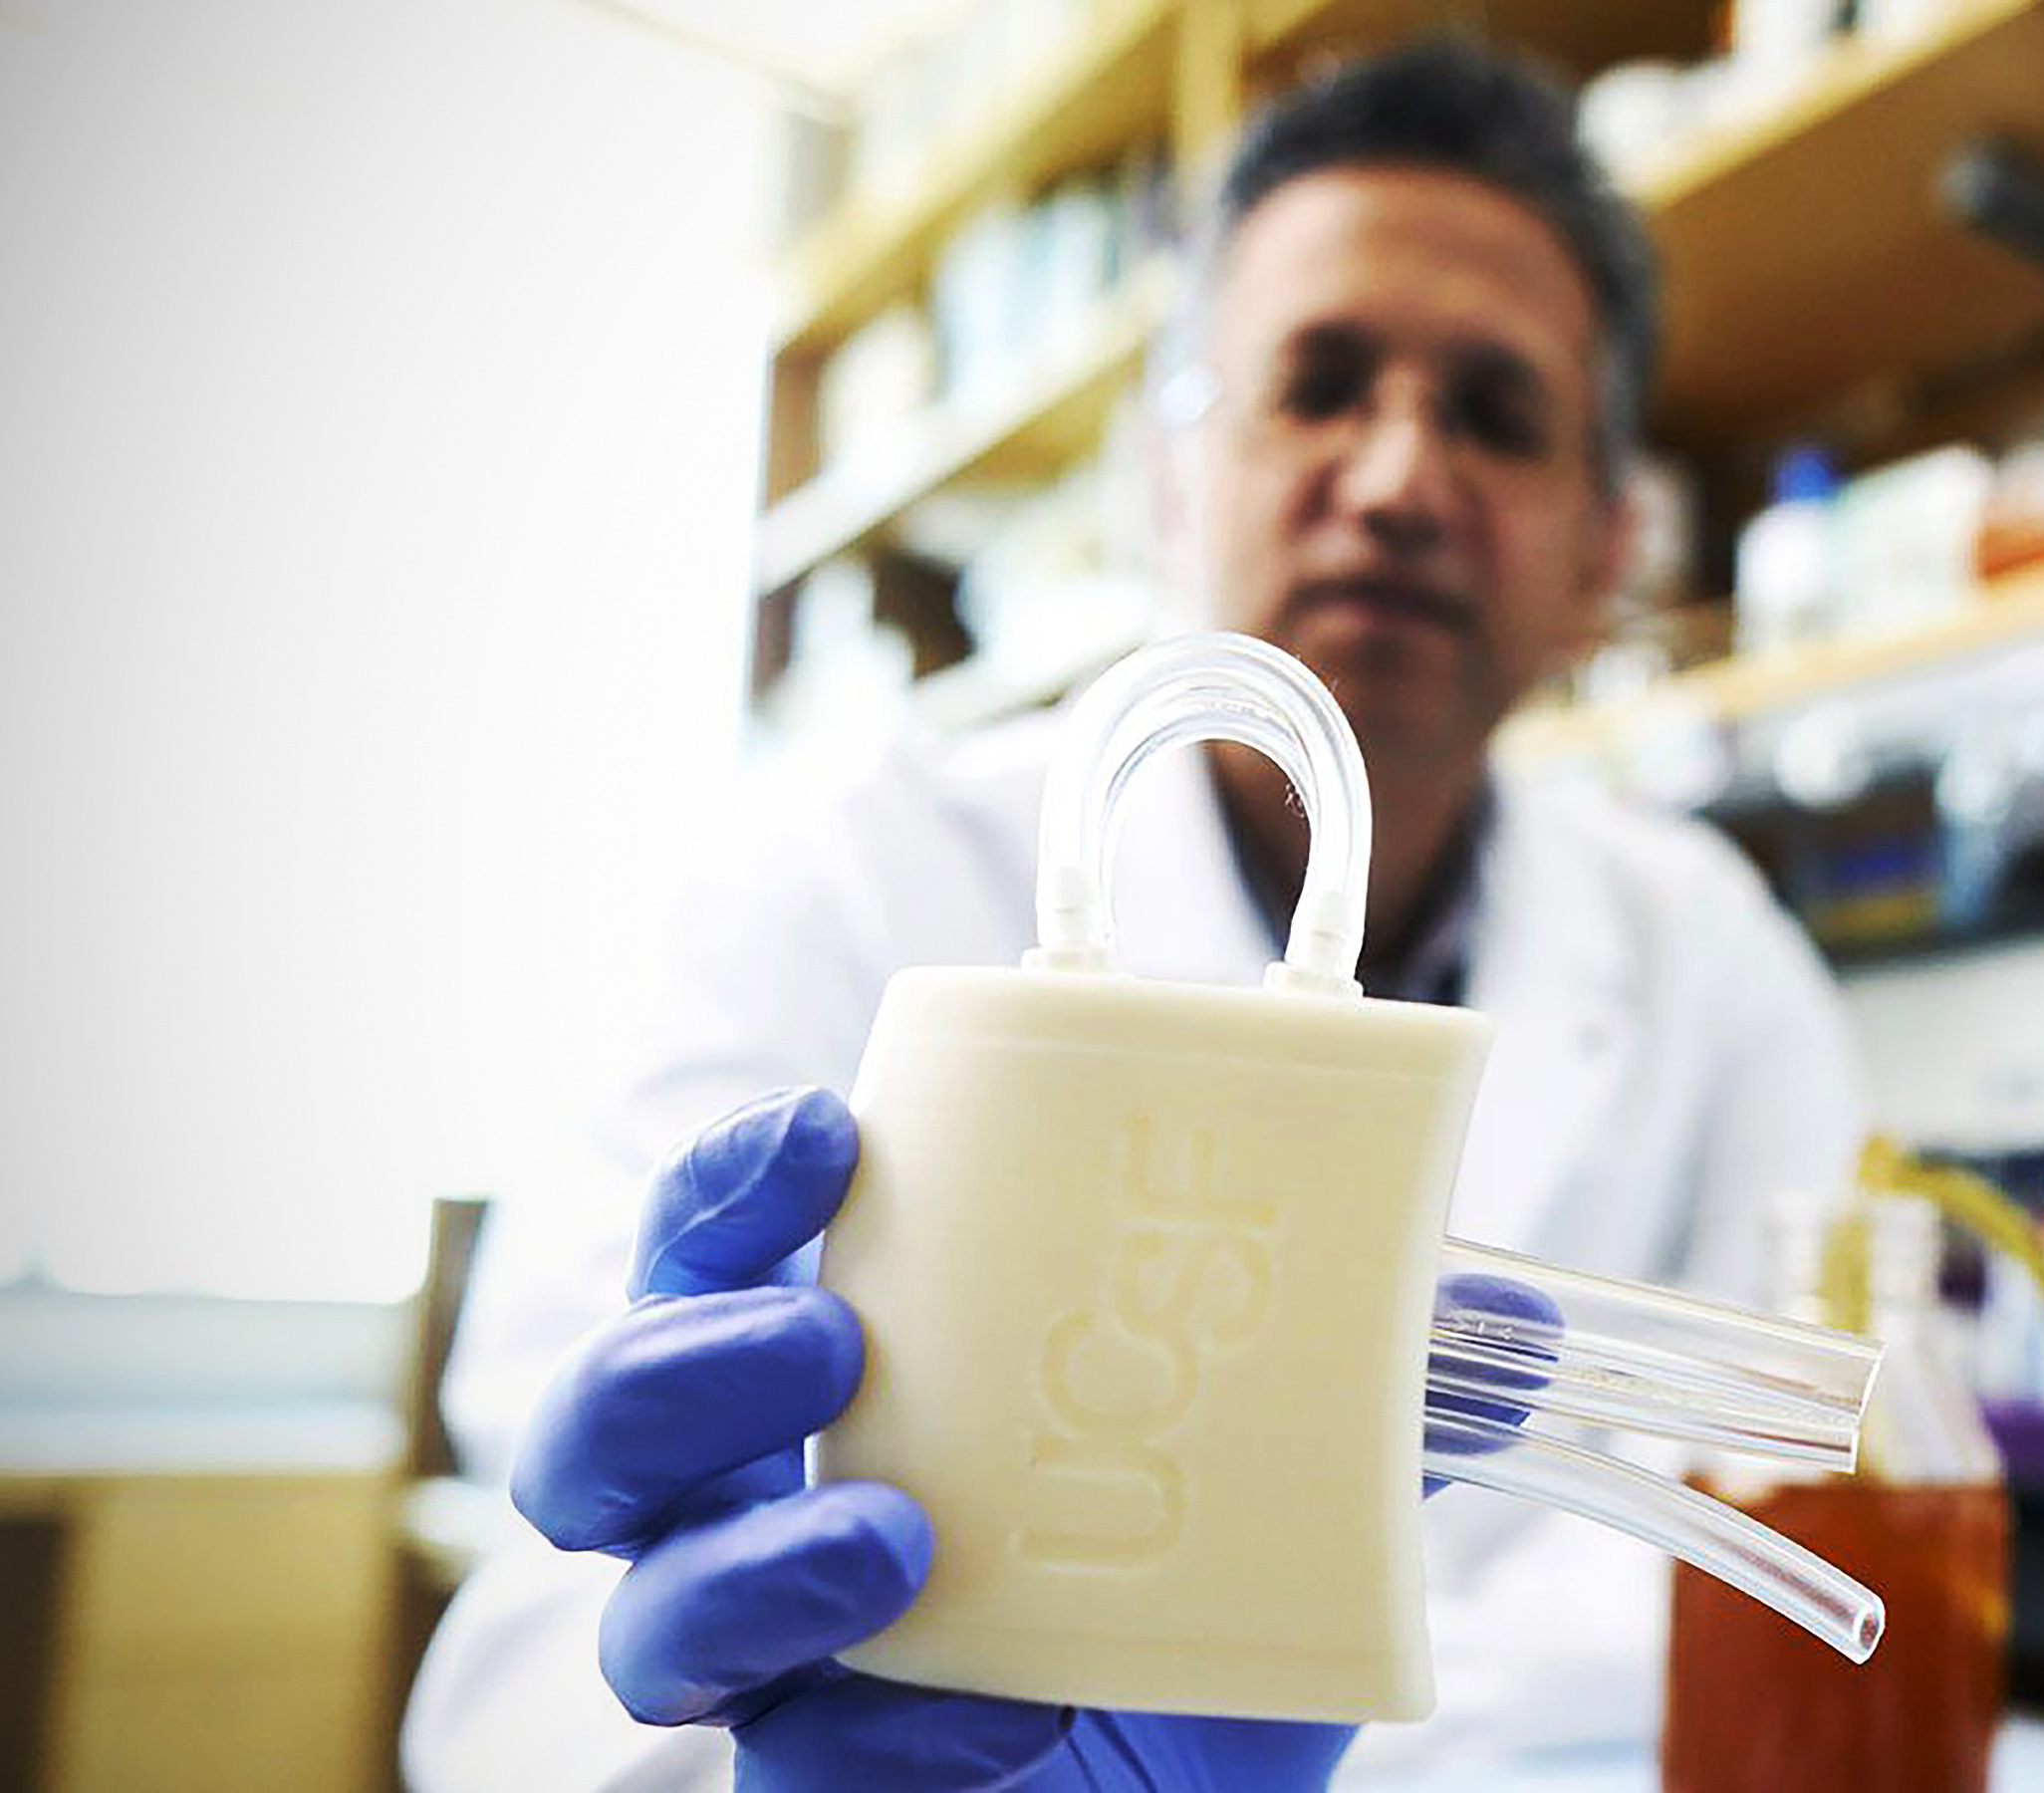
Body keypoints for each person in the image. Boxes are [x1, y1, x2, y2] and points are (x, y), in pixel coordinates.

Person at [402, 39, 1866, 1792]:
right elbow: (530, 1649)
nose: (1398, 478)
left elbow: (1783, 1566)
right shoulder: (845, 879)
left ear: (1603, 552)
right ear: (1168, 484)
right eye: (1317, 385)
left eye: (1495, 414)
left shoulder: (1719, 962)